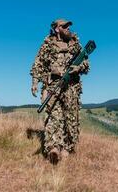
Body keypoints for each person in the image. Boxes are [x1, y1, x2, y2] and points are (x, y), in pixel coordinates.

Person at [30, 19, 90, 164]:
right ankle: (53, 148)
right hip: (53, 86)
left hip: (71, 87)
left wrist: (79, 68)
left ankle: (67, 148)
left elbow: (86, 63)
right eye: (64, 26)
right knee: (53, 117)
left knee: (70, 119)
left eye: (69, 26)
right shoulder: (48, 44)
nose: (68, 28)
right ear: (57, 29)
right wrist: (34, 83)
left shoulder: (75, 44)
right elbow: (39, 63)